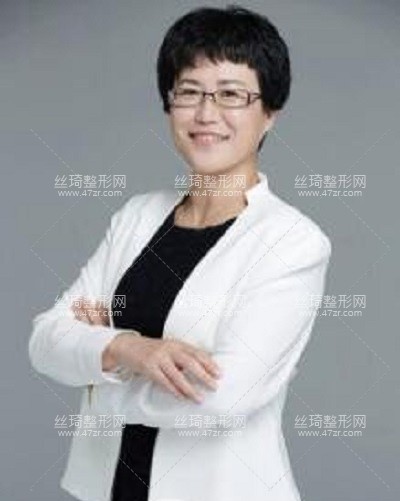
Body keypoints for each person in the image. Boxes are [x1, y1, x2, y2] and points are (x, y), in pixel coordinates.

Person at [29, 5, 332, 501]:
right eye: (189, 92)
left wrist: (98, 377)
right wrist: (130, 349)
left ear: (270, 113)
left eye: (231, 94)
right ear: (169, 104)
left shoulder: (291, 242)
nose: (206, 114)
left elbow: (221, 400)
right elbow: (46, 339)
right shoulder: (137, 216)